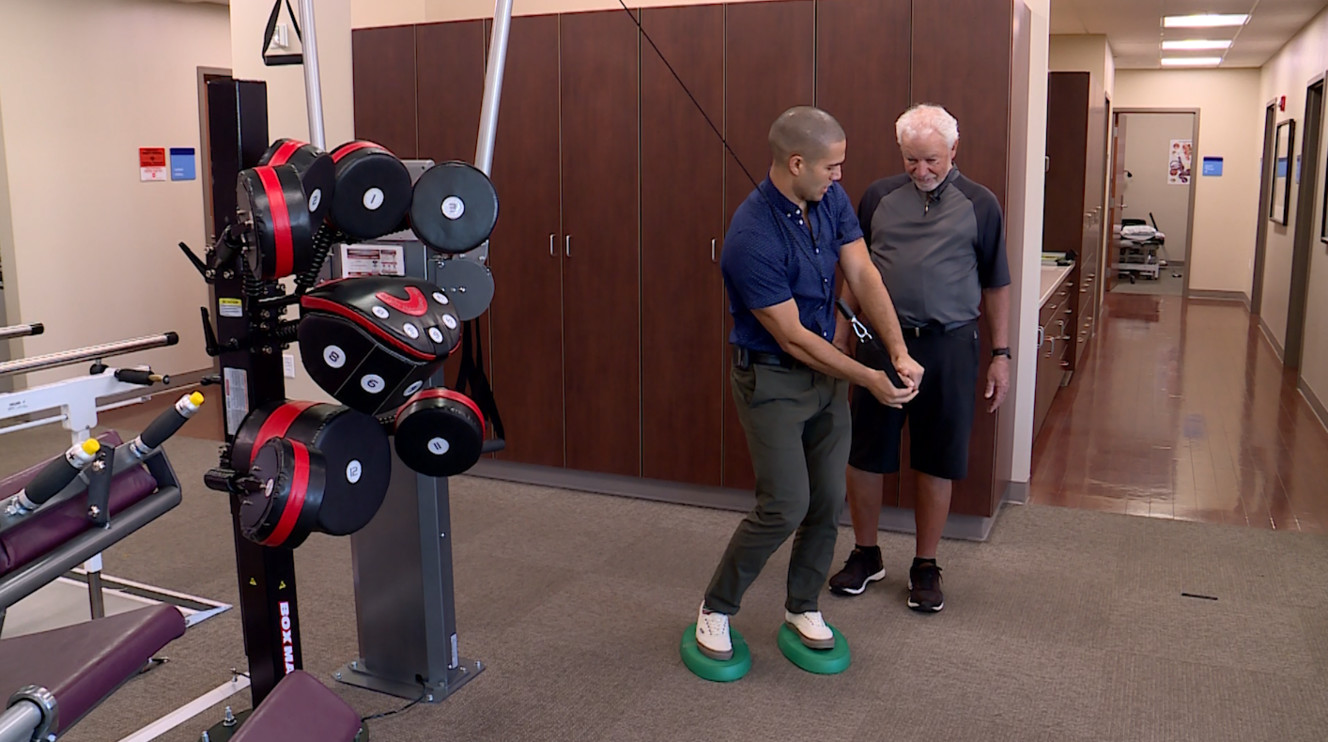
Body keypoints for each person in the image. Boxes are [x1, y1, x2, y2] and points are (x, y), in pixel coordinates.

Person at [694, 106, 924, 662]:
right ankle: (716, 610)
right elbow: (793, 337)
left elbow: (864, 271)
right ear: (796, 163)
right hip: (772, 379)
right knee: (784, 504)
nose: (841, 176)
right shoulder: (751, 236)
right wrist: (870, 377)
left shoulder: (829, 200)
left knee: (826, 500)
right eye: (833, 167)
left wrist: (896, 349)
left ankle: (802, 604)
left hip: (827, 380)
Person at [828, 103, 1011, 613]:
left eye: (931, 159)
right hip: (880, 343)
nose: (922, 171)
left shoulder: (981, 204)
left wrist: (1002, 354)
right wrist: (843, 330)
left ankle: (925, 564)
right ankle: (866, 553)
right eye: (911, 160)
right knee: (865, 453)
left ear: (954, 150)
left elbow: (997, 284)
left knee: (936, 457)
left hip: (949, 345)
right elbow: (855, 269)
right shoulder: (878, 197)